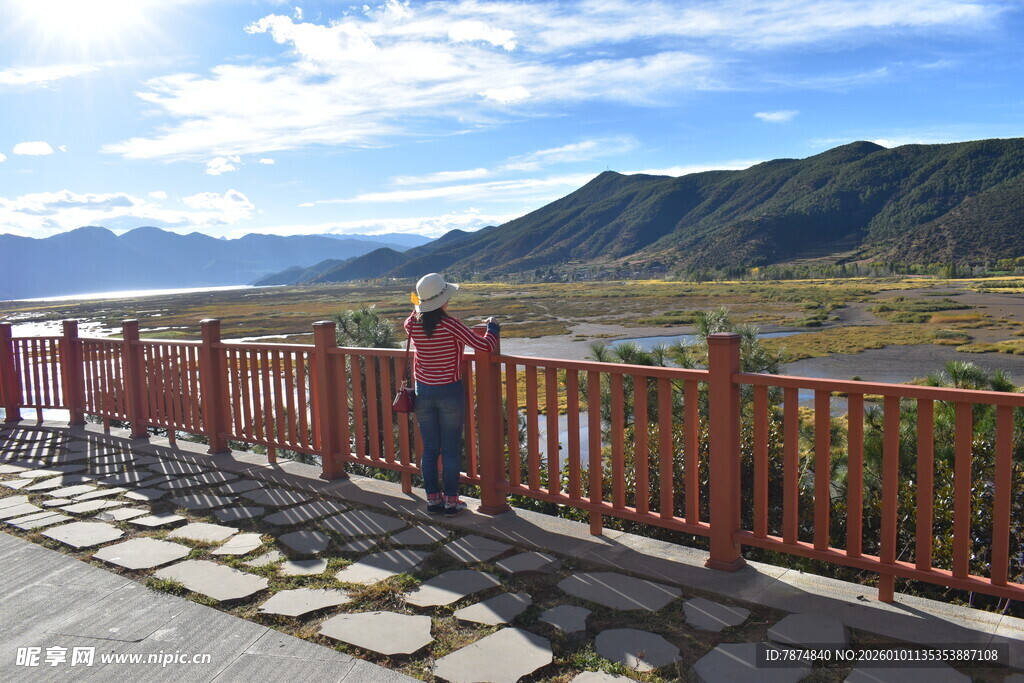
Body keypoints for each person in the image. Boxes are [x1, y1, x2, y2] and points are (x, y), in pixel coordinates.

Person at [404, 273, 499, 516]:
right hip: (449, 391)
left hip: (423, 391)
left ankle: (433, 500)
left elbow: (412, 316)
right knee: (449, 450)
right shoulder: (451, 325)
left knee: (430, 450)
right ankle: (451, 502)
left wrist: (419, 305)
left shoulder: (412, 324)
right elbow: (485, 346)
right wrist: (492, 327)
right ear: (443, 300)